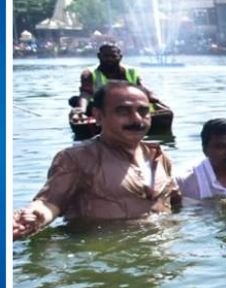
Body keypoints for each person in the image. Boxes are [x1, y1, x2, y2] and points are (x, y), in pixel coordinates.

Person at [12, 81, 181, 240]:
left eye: (143, 111)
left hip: (159, 256)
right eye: (124, 111)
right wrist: (34, 217)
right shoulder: (77, 158)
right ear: (98, 116)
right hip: (106, 258)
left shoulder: (158, 156)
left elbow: (175, 202)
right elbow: (49, 203)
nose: (137, 119)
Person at [79, 43, 168, 113]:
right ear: (99, 56)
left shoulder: (131, 72)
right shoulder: (89, 73)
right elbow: (85, 94)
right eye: (106, 56)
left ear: (120, 57)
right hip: (104, 110)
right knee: (75, 101)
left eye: (113, 56)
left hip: (131, 107)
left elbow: (143, 90)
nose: (110, 59)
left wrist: (159, 103)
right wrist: (81, 110)